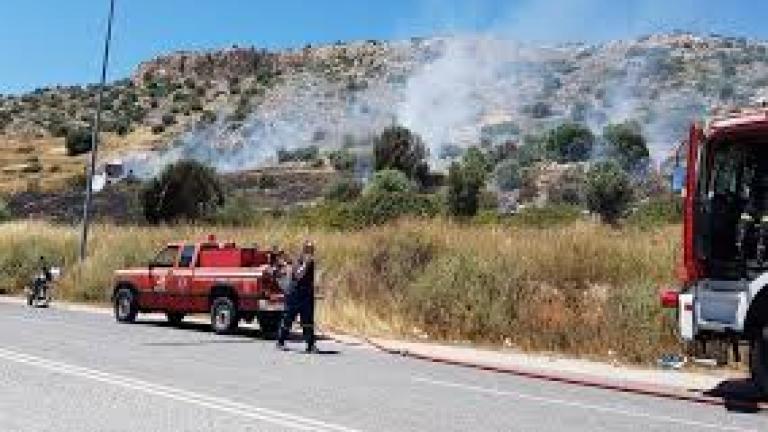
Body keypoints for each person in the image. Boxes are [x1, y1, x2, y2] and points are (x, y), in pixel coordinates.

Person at [276, 241, 318, 353]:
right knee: (288, 319)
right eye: (308, 250)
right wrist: (305, 264)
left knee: (308, 321)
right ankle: (280, 342)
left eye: (311, 250)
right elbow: (299, 275)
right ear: (303, 251)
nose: (310, 252)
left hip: (307, 295)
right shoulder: (298, 262)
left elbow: (310, 279)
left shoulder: (311, 262)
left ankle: (310, 345)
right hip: (294, 295)